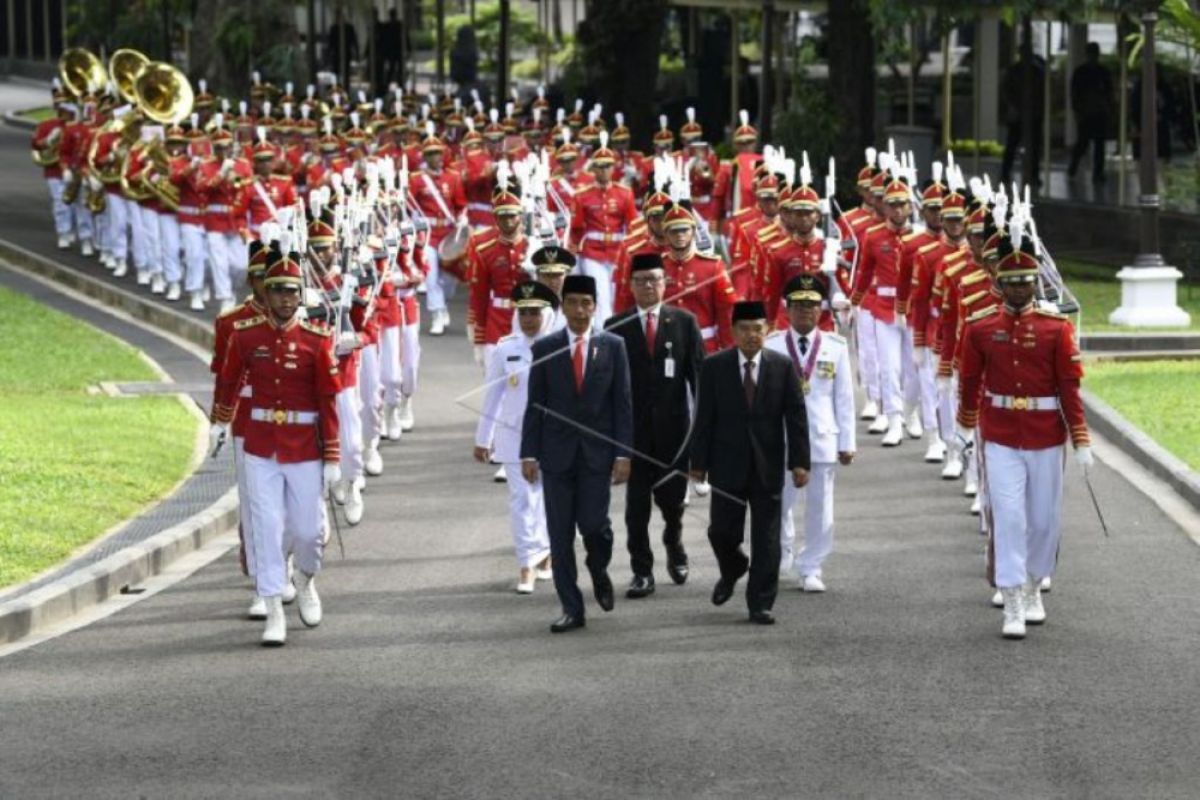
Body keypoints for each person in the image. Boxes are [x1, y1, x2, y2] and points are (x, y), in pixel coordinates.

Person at [956, 239, 1091, 639]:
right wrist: (965, 427)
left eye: (1025, 282)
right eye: (1011, 283)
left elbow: (1069, 386)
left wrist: (1081, 439)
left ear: (1035, 284)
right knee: (1009, 516)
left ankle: (1035, 584)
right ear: (999, 285)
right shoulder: (981, 327)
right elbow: (969, 381)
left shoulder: (1056, 328)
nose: (1018, 289)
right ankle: (1012, 596)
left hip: (1046, 434)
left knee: (1044, 518)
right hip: (999, 433)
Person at [211, 253, 341, 646]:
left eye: (291, 291)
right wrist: (220, 421)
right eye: (277, 291)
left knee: (307, 531)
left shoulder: (317, 341)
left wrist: (333, 456)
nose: (285, 298)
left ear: (301, 296)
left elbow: (328, 401)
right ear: (265, 294)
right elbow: (229, 380)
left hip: (304, 447)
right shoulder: (246, 336)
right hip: (260, 444)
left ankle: (305, 579)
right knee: (266, 528)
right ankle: (272, 609)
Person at [520, 275, 633, 633]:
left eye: (587, 303)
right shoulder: (546, 348)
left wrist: (623, 454)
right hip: (556, 456)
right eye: (573, 303)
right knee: (560, 534)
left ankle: (599, 570)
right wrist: (528, 454)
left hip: (597, 457)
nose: (580, 310)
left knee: (595, 527)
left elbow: (623, 405)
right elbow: (535, 405)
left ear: (595, 307)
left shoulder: (613, 346)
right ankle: (572, 607)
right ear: (563, 306)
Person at [689, 300, 809, 625]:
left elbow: (796, 417)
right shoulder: (714, 366)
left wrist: (800, 462)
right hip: (726, 465)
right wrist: (697, 463)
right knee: (720, 532)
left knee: (767, 538)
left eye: (758, 329)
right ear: (733, 332)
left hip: (767, 466)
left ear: (767, 330)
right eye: (744, 329)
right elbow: (703, 419)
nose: (752, 335)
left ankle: (760, 602)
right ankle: (732, 568)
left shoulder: (783, 367)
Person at [604, 253, 705, 598]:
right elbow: (608, 389)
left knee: (672, 505)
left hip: (675, 435)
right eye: (641, 280)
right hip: (632, 438)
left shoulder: (684, 323)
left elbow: (699, 383)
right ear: (631, 285)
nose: (648, 286)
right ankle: (641, 571)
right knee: (636, 510)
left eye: (655, 279)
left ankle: (674, 544)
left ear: (666, 284)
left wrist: (700, 440)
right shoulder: (614, 327)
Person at [765, 275, 855, 591]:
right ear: (787, 309)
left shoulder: (835, 346)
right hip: (782, 439)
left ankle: (812, 565)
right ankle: (780, 552)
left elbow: (843, 397)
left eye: (813, 306)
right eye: (799, 306)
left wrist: (847, 441)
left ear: (822, 310)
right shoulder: (772, 345)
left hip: (822, 437)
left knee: (820, 507)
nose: (806, 312)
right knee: (779, 503)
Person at [475, 281, 559, 593]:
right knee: (522, 499)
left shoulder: (559, 345)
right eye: (523, 312)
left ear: (546, 314)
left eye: (535, 312)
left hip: (551, 436)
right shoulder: (505, 348)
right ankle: (526, 564)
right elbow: (491, 396)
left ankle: (546, 551)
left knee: (548, 498)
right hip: (514, 436)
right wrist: (484, 438)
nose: (528, 319)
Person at [1068, 42, 1113, 183]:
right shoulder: (1082, 72)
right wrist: (1078, 111)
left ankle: (1097, 173)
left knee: (1098, 145)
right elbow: (1075, 93)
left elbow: (1109, 92)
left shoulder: (1102, 72)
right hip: (1087, 112)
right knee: (1083, 143)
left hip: (1098, 112)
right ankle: (1074, 166)